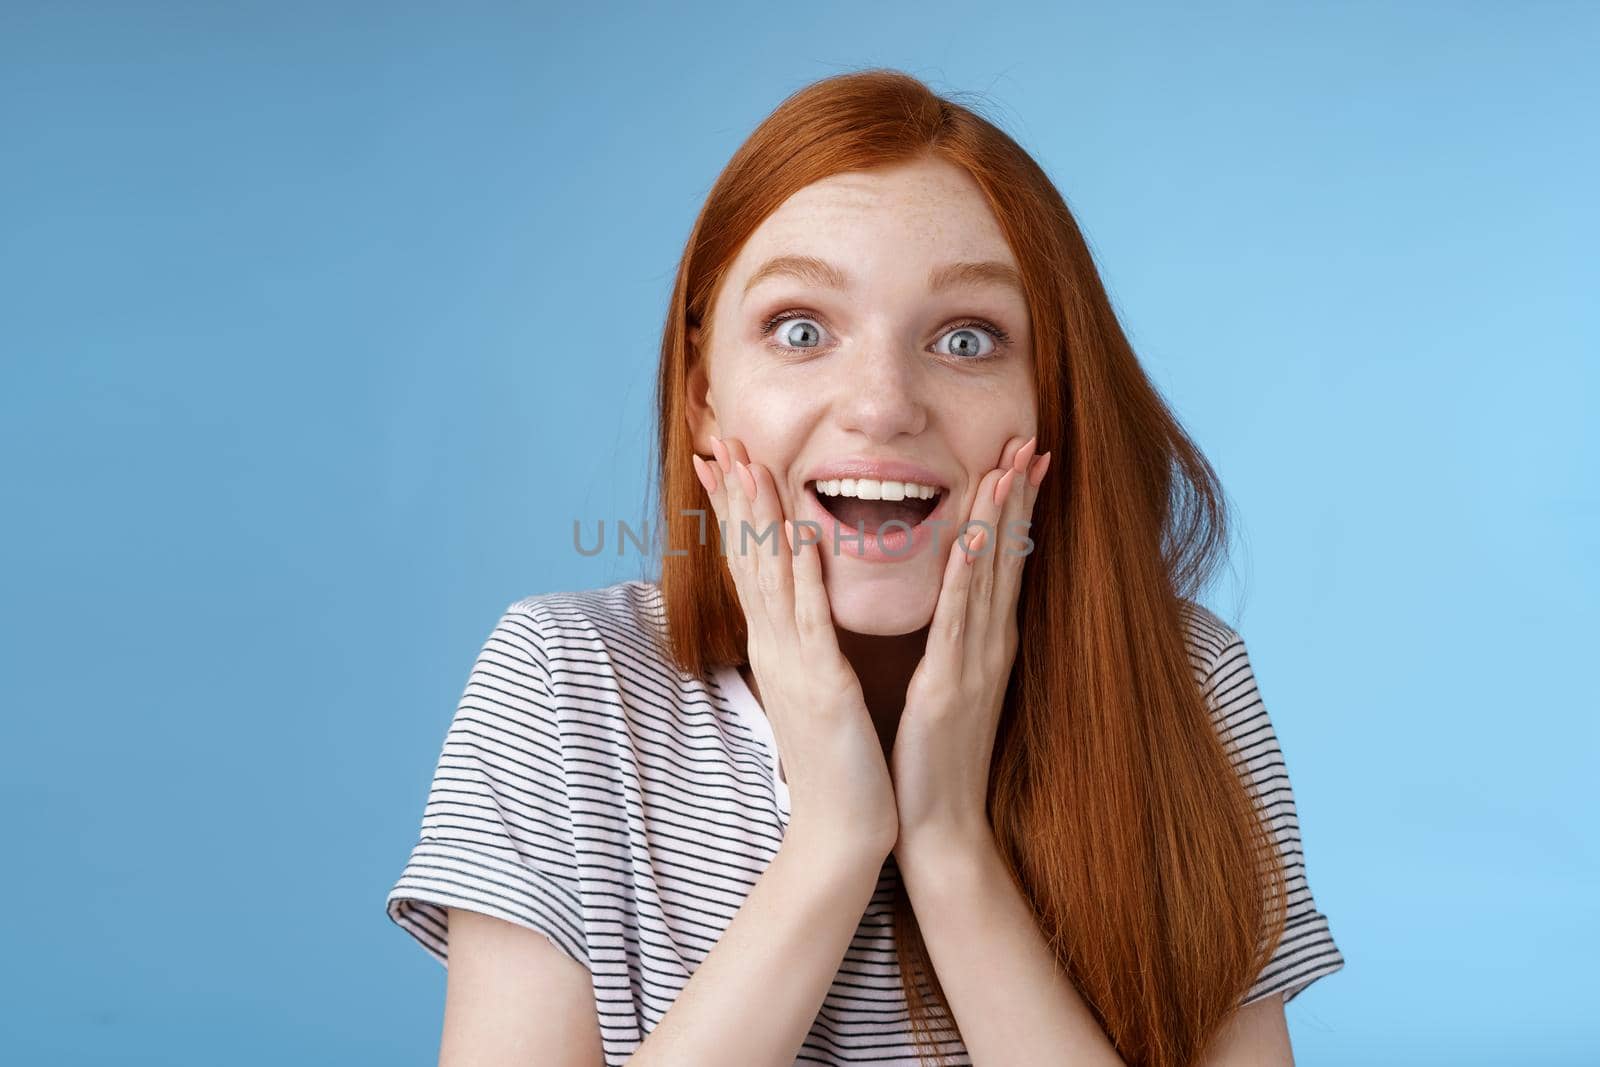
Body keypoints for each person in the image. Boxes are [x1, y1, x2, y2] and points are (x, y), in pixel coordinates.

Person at [385, 68, 1345, 1067]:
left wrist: (946, 842)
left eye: (967, 338)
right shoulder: (563, 680)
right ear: (704, 390)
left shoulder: (1183, 680)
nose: (883, 403)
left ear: (1048, 400)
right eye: (800, 330)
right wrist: (834, 839)